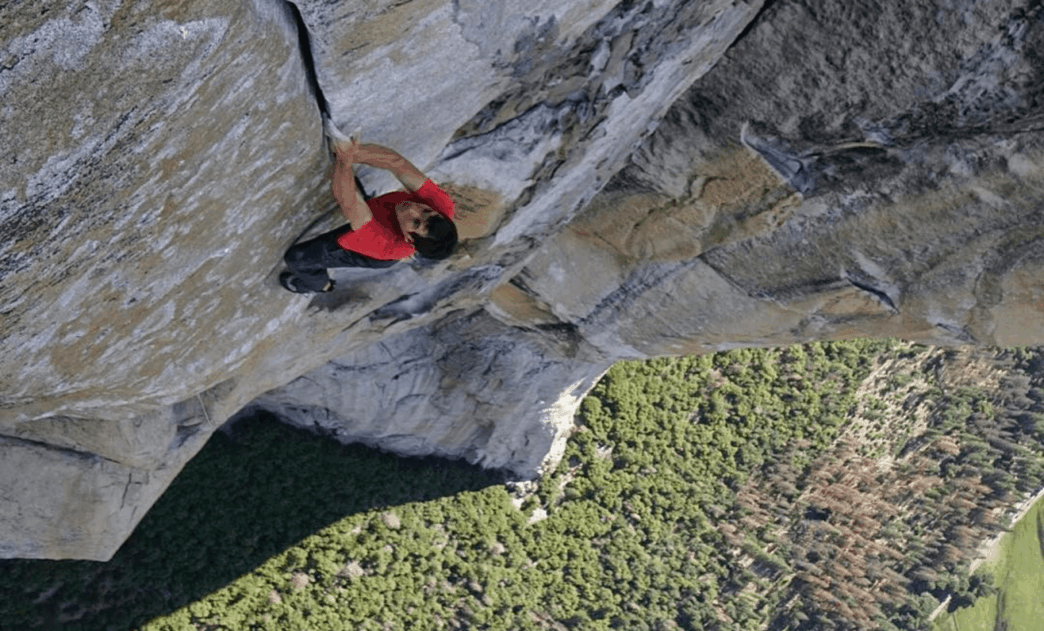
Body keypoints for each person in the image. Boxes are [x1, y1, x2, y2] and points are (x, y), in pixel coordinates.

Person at [279, 119, 458, 294]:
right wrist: (354, 151)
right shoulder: (441, 205)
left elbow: (349, 201)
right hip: (376, 215)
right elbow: (396, 163)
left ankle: (319, 285)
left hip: (370, 251)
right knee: (352, 185)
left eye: (416, 223)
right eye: (425, 210)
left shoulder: (384, 243)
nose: (412, 208)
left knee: (296, 259)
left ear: (409, 239)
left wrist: (344, 160)